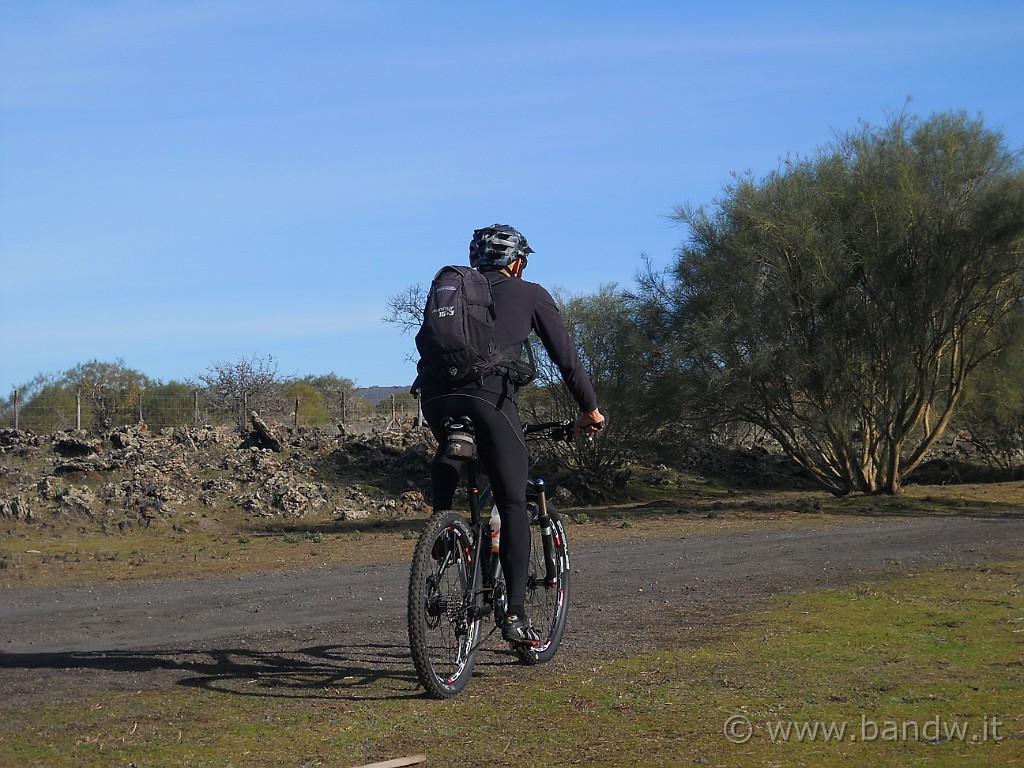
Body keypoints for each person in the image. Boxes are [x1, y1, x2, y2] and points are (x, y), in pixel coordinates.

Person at [414, 223, 605, 645]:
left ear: (476, 262)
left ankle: (442, 523)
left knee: (459, 442)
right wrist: (590, 410)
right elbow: (567, 360)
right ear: (517, 262)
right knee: (513, 499)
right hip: (490, 400)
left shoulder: (457, 295)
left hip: (436, 397)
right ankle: (515, 615)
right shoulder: (531, 293)